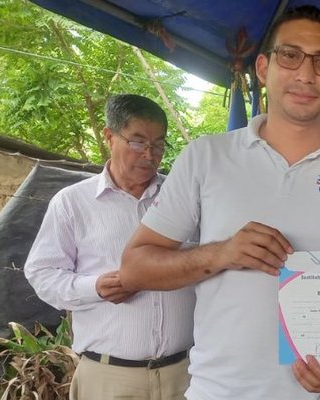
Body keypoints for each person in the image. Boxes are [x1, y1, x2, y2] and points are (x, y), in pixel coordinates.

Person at [118, 5, 320, 400]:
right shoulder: (206, 157)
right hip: (220, 393)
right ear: (263, 68)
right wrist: (220, 254)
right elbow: (134, 268)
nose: (305, 74)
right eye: (290, 55)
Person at [24, 94, 195, 400]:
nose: (149, 154)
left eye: (158, 144)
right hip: (109, 379)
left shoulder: (183, 198)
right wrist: (95, 288)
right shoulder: (73, 202)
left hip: (184, 375)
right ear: (109, 136)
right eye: (138, 142)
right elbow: (41, 273)